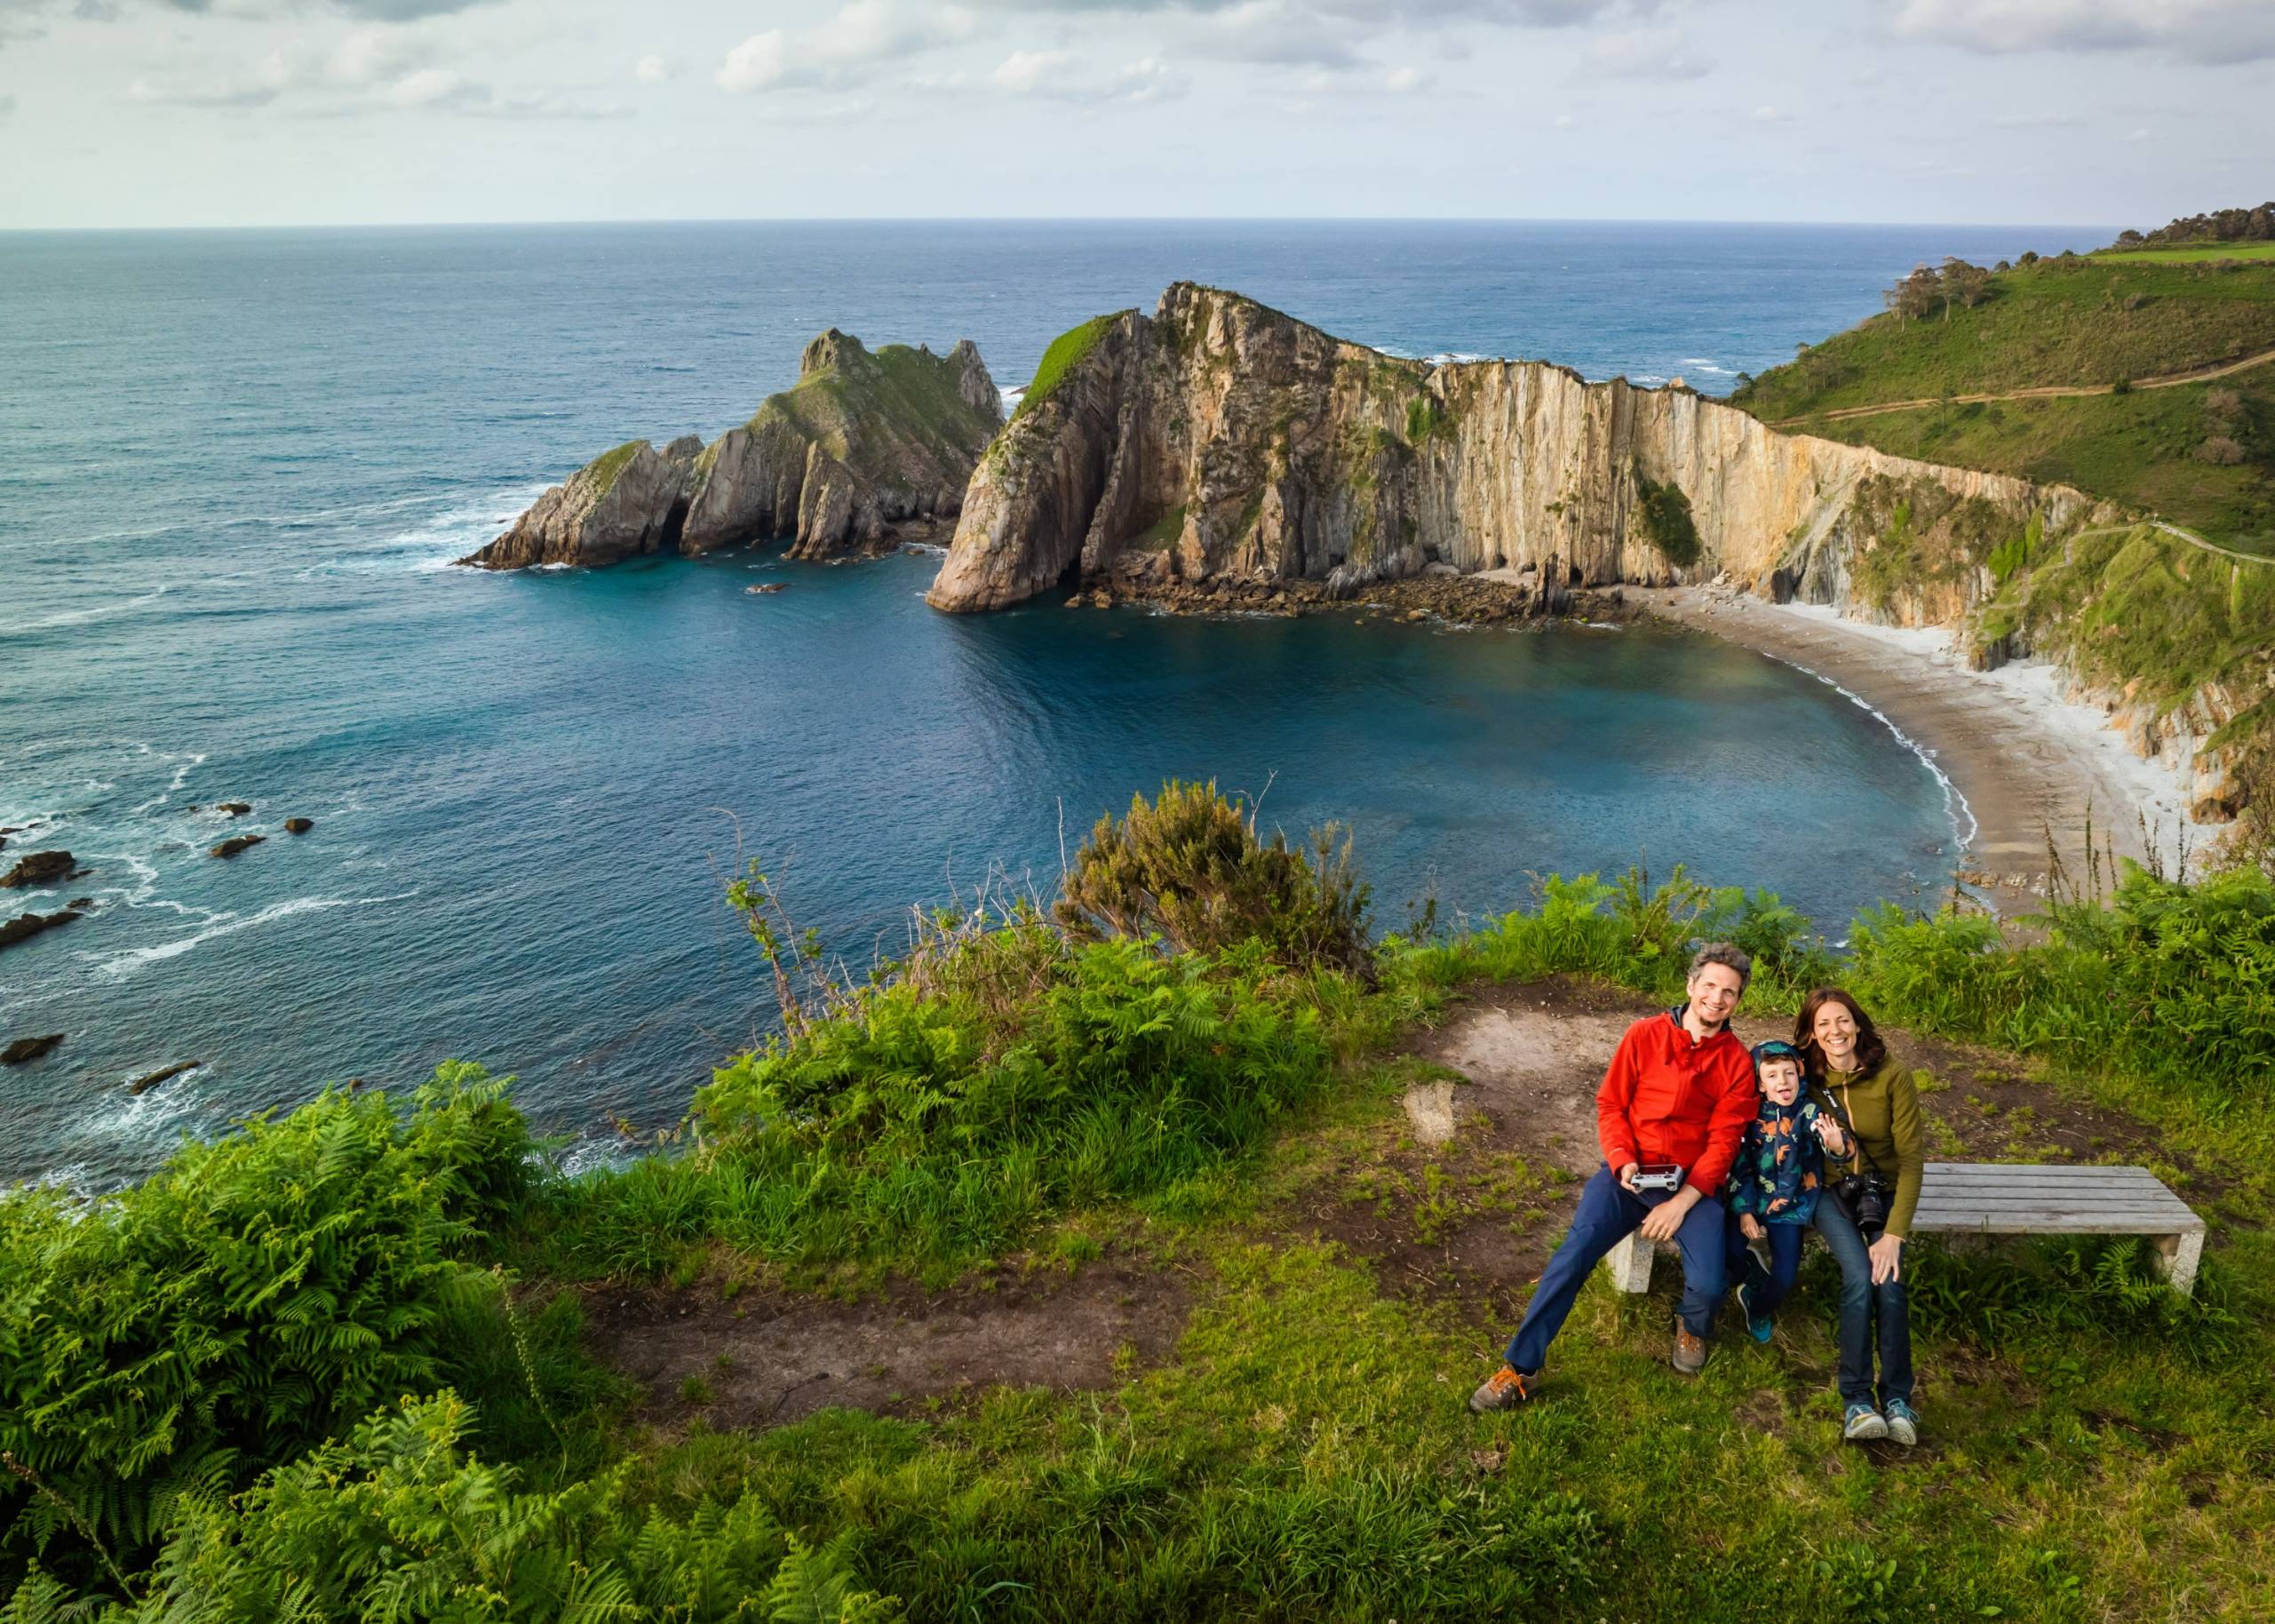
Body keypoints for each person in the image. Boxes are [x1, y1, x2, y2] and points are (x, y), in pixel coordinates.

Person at [1470, 943, 1760, 1411]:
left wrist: (1681, 1202)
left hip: (1690, 1185)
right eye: (1709, 986)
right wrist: (1623, 1158)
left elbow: (1724, 1143)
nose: (1717, 998)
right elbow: (1611, 1105)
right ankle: (1522, 1367)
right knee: (1574, 1254)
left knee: (1708, 1285)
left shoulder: (1737, 1063)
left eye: (1729, 992)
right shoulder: (1643, 1035)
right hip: (1627, 1176)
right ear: (1690, 986)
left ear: (1738, 1001)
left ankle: (1691, 1324)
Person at [1797, 986, 1924, 1446]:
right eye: (1823, 1025)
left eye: (1843, 1020)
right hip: (1831, 1193)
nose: (1835, 1032)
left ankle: (1896, 1399)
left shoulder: (1893, 1076)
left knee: (1889, 1283)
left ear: (1858, 1024)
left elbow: (1911, 1161)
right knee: (1858, 1277)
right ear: (1811, 1035)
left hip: (1884, 1190)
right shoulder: (1806, 1079)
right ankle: (1855, 1400)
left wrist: (1894, 1234)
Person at [1725, 1039, 1846, 1342]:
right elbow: (1741, 1166)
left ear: (1799, 1075)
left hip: (1790, 1206)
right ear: (1760, 1084)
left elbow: (1824, 1133)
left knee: (1785, 1277)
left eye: (1789, 1073)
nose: (1783, 1081)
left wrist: (1836, 1145)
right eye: (1772, 1075)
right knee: (1728, 1255)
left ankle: (1758, 1305)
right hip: (1752, 1199)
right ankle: (1748, 1271)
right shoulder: (1749, 1116)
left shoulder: (1807, 1110)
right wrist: (1745, 1211)